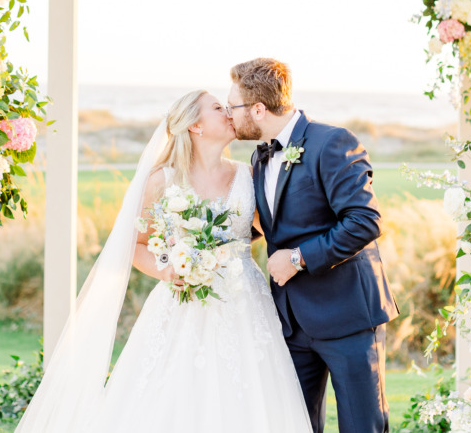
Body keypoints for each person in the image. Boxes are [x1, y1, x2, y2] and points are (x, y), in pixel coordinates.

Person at [16, 90, 312, 432]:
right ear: (196, 126)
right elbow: (137, 245)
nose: (229, 111)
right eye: (218, 108)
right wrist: (169, 270)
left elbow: (278, 232)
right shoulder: (163, 180)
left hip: (245, 303)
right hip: (182, 303)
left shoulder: (247, 175)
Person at [228, 58, 400, 433]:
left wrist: (298, 258)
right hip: (290, 321)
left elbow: (364, 221)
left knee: (361, 426)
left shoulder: (332, 142)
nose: (229, 115)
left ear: (257, 108)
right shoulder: (259, 155)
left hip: (348, 316)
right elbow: (272, 222)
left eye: (233, 106)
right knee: (295, 425)